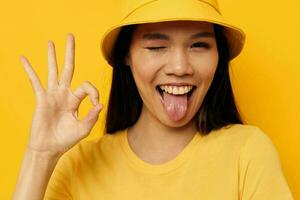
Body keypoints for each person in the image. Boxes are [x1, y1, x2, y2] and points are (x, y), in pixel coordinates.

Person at [13, 0, 294, 199]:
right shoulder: (79, 166)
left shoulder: (247, 153)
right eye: (157, 46)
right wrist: (40, 155)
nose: (180, 66)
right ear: (126, 55)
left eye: (199, 45)